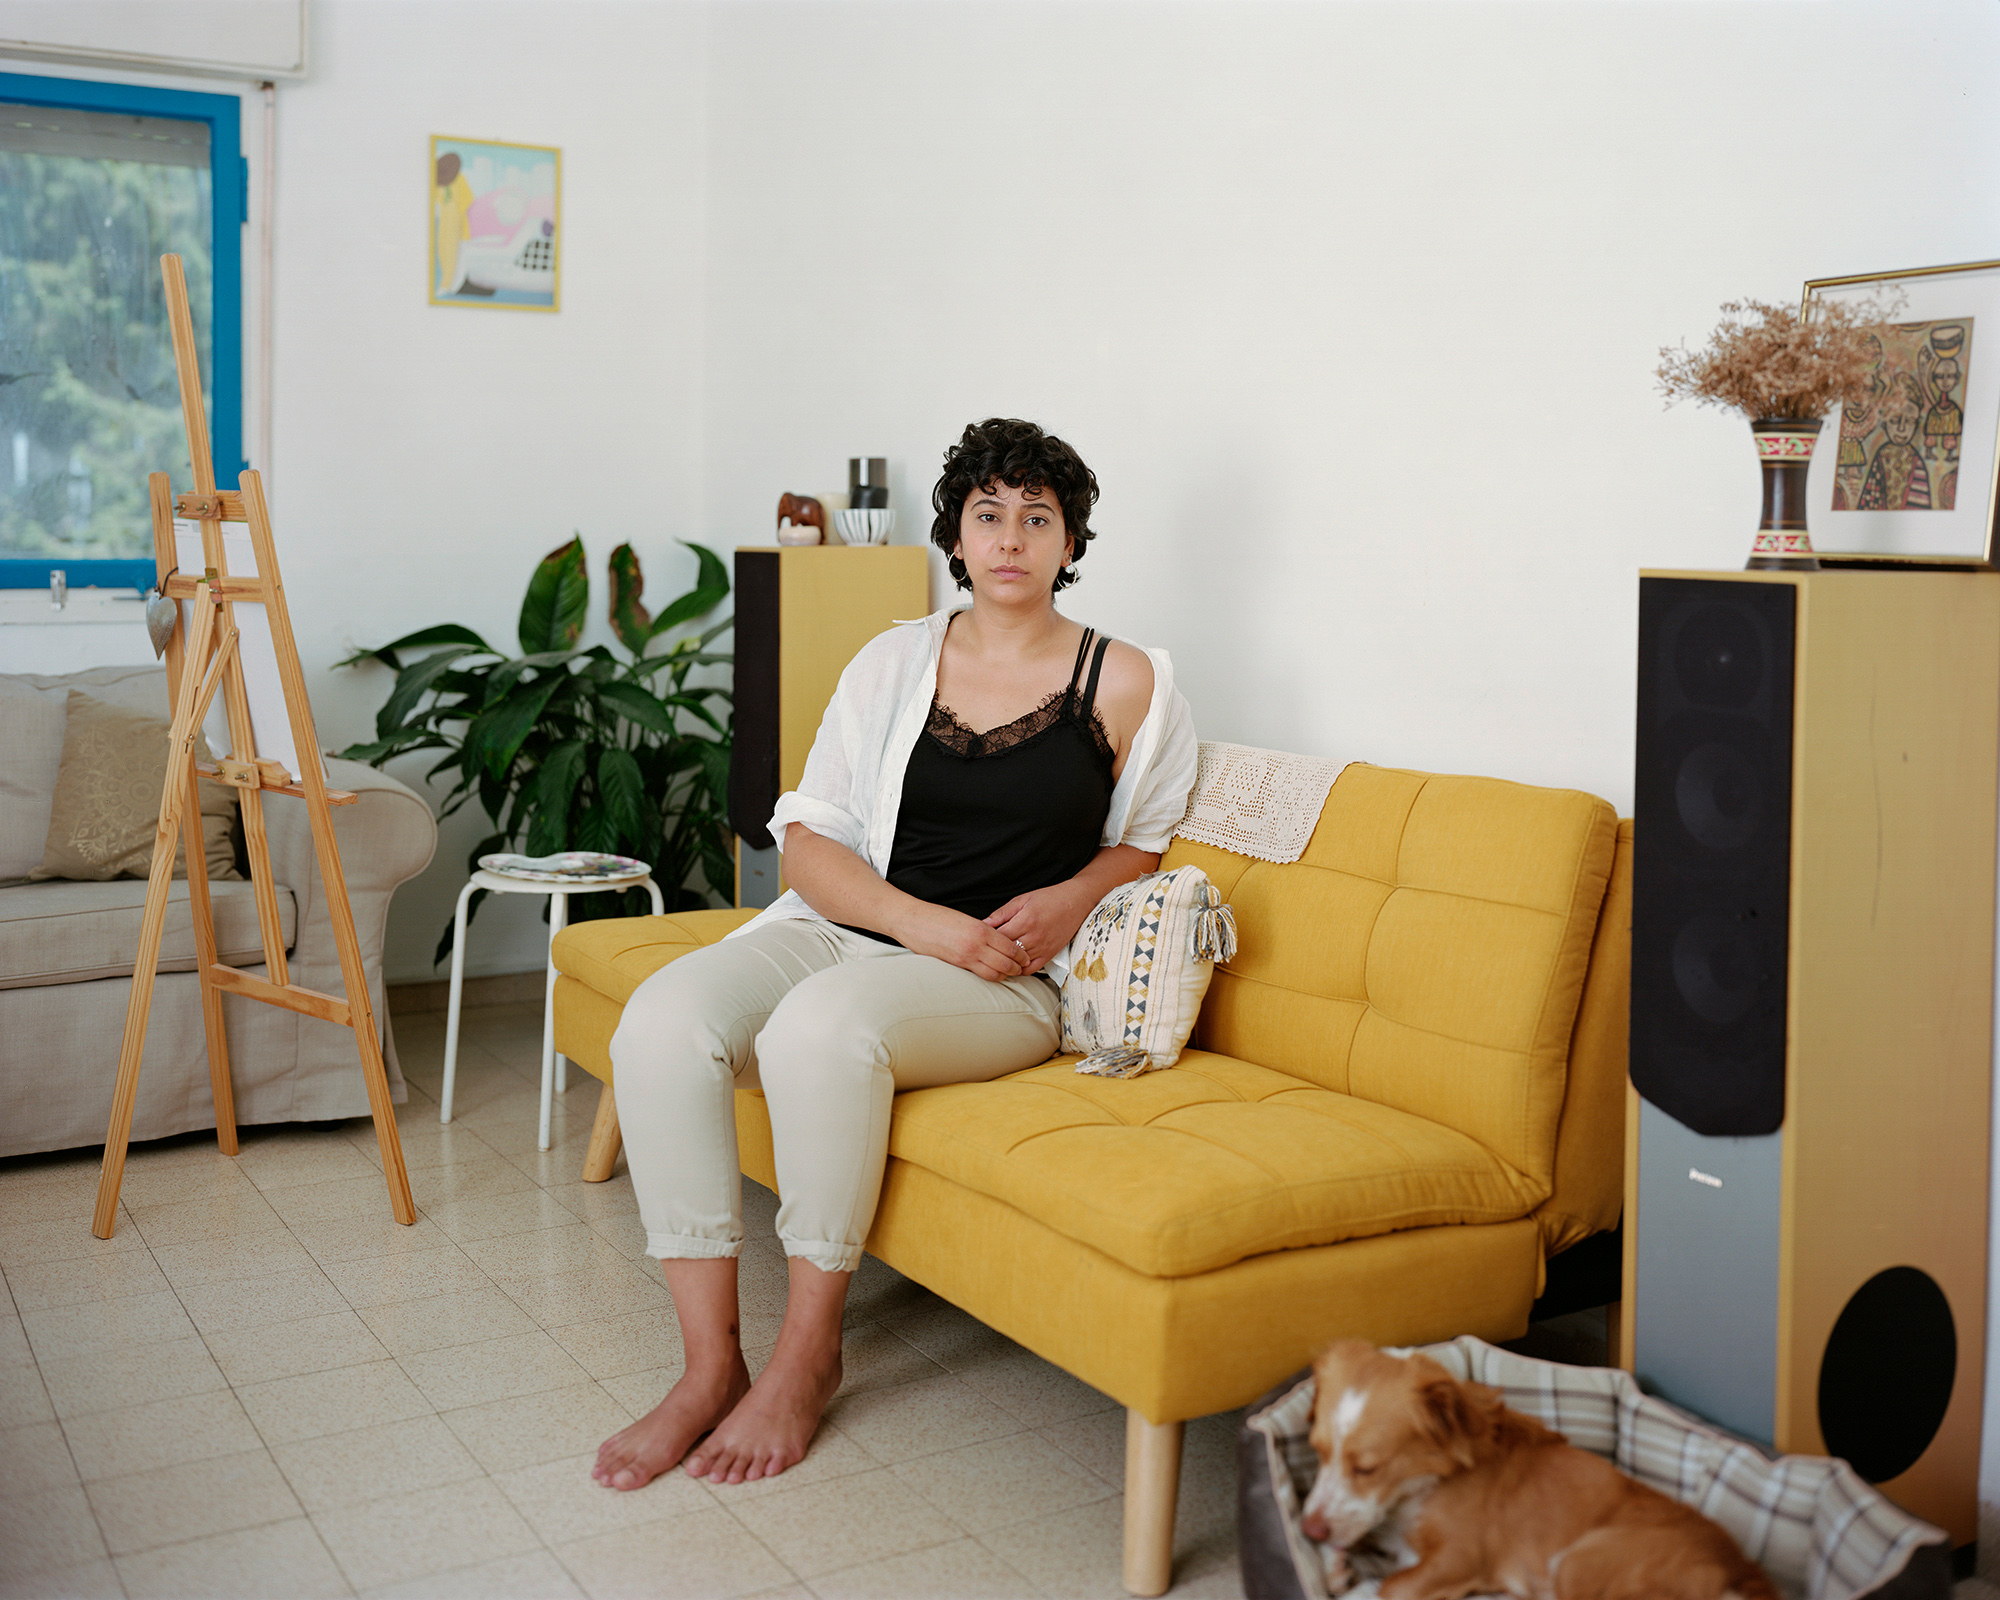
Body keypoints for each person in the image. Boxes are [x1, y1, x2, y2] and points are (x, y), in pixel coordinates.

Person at [592, 417, 1198, 1490]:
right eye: (987, 515)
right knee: (660, 1020)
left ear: (1070, 542)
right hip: (848, 930)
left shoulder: (1130, 682)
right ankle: (705, 1364)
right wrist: (916, 921)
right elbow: (810, 839)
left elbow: (1139, 846)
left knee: (820, 1031)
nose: (1010, 538)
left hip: (1002, 984)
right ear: (955, 537)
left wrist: (1064, 902)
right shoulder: (892, 660)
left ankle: (806, 1350)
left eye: (1037, 518)